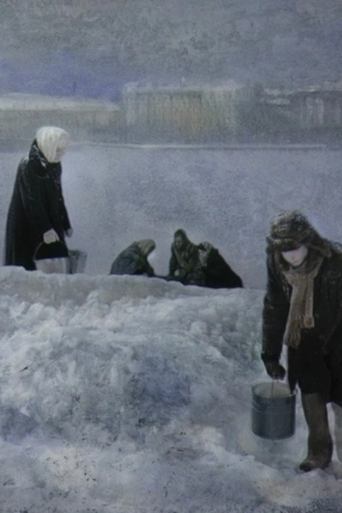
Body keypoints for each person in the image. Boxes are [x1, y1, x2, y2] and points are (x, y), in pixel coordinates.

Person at [262, 210, 342, 472]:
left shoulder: (335, 261)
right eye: (285, 250)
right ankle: (318, 455)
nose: (292, 255)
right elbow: (275, 306)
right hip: (304, 343)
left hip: (339, 340)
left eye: (295, 248)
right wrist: (270, 355)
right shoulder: (277, 263)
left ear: (308, 240)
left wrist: (326, 336)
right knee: (312, 400)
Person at [4, 126, 72, 270]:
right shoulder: (29, 165)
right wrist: (45, 228)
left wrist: (65, 222)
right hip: (27, 226)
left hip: (49, 223)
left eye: (63, 150)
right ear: (49, 145)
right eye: (58, 150)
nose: (61, 154)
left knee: (53, 263)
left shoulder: (54, 164)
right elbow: (31, 200)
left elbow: (58, 196)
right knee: (27, 263)